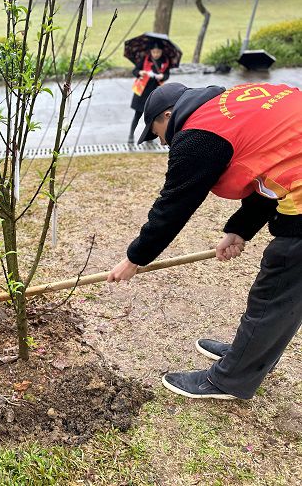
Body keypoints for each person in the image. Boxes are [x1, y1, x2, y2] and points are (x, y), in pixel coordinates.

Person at [108, 81, 302, 400]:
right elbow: (275, 165)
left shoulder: (200, 133)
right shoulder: (234, 105)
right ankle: (247, 355)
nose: (161, 140)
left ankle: (229, 381)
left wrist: (135, 258)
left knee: (278, 285)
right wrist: (239, 229)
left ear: (168, 115)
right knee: (286, 291)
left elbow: (174, 205)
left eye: (156, 131)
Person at [128, 41, 170, 144]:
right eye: (154, 52)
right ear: (150, 51)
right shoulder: (145, 59)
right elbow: (135, 71)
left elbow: (167, 74)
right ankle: (131, 135)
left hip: (154, 93)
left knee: (151, 117)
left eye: (158, 52)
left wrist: (162, 76)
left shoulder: (164, 62)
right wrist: (140, 72)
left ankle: (149, 138)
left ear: (161, 52)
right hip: (142, 92)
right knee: (137, 115)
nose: (156, 54)